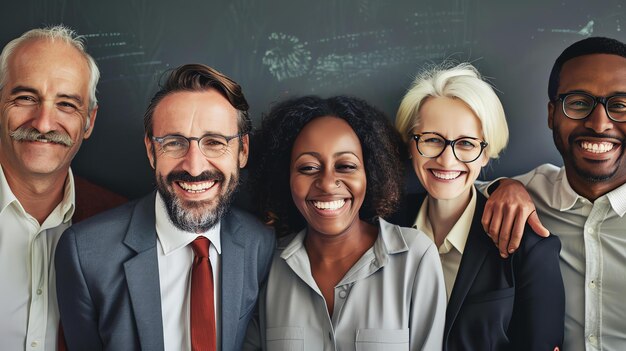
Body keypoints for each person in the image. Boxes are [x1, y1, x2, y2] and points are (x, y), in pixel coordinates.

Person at [55, 64, 275, 350]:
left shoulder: (262, 244)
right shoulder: (84, 253)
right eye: (174, 143)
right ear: (151, 151)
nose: (194, 167)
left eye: (214, 142)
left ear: (243, 151)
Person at [245, 96, 446, 350]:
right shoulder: (266, 265)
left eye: (346, 165)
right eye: (308, 168)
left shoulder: (415, 258)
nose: (328, 183)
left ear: (370, 173)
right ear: (286, 177)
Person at [394, 63, 565, 350]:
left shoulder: (529, 248)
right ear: (411, 144)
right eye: (433, 140)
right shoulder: (381, 227)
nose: (447, 161)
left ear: (486, 154)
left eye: (466, 144)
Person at [481, 37, 626, 351]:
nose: (599, 125)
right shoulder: (527, 195)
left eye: (620, 105)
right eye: (578, 102)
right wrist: (502, 186)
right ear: (551, 114)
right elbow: (457, 189)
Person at [0, 25, 108, 351]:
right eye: (26, 98)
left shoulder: (121, 224)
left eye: (66, 104)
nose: (44, 123)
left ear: (89, 121)